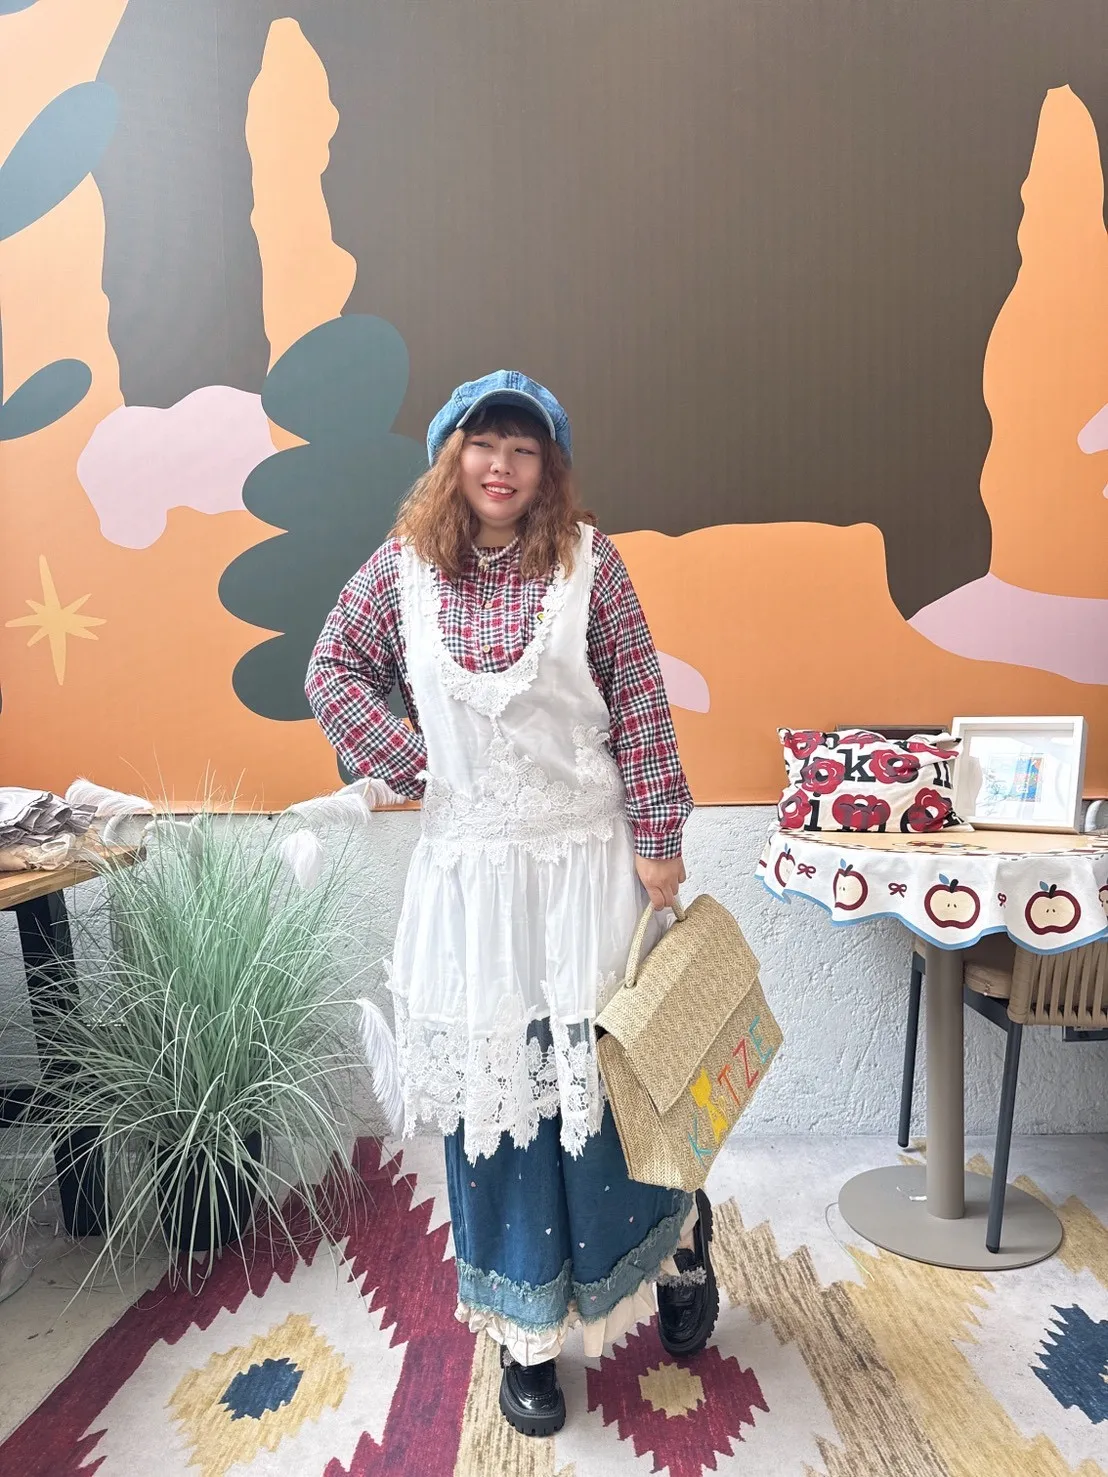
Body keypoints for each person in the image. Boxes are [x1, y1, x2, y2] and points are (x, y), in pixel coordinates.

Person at [306, 371, 717, 1437]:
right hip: (471, 887)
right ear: (452, 458)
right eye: (483, 444)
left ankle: (677, 1248)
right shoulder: (400, 570)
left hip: (587, 867)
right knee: (500, 1109)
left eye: (523, 449)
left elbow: (641, 700)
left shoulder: (590, 562)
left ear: (548, 467)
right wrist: (415, 763)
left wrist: (660, 842)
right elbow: (332, 669)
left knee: (613, 1087)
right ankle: (525, 1330)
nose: (501, 465)